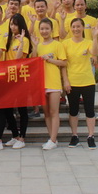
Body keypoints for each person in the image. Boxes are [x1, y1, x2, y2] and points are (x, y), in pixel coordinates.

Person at [0, 14, 32, 151]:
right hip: (8, 78)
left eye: (16, 24)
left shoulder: (25, 40)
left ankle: (22, 138)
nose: (13, 27)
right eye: (11, 24)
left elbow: (18, 59)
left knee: (22, 109)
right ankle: (15, 135)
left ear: (21, 25)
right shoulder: (9, 40)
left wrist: (22, 43)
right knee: (7, 109)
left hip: (21, 79)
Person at [64, 17, 98, 149]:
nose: (76, 29)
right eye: (73, 26)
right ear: (70, 28)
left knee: (89, 110)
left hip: (87, 81)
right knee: (73, 110)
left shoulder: (88, 42)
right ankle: (74, 136)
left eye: (78, 26)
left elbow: (95, 53)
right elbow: (63, 64)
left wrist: (95, 37)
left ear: (83, 28)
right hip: (72, 82)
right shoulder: (65, 44)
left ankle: (91, 136)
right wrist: (65, 81)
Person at [30, 19, 67, 150]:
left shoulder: (58, 45)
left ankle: (53, 139)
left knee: (54, 112)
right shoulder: (38, 45)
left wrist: (50, 60)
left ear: (51, 30)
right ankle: (52, 138)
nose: (44, 31)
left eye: (47, 29)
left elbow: (64, 62)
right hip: (41, 83)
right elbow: (33, 61)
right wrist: (35, 46)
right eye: (42, 29)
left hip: (54, 82)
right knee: (46, 113)